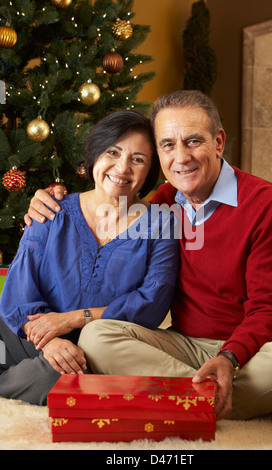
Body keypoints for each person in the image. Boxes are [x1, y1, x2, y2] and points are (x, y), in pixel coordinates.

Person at [24, 90, 272, 421]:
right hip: (182, 345)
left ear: (219, 142)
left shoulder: (266, 204)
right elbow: (108, 197)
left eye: (194, 141)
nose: (181, 157)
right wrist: (52, 199)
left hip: (256, 349)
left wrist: (229, 357)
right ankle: (218, 400)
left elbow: (271, 309)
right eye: (168, 144)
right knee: (97, 335)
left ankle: (181, 398)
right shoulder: (166, 201)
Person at [0, 110, 179, 405]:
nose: (122, 168)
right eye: (113, 152)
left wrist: (72, 320)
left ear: (150, 171)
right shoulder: (51, 208)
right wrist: (50, 339)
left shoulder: (160, 224)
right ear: (95, 154)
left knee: (65, 377)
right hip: (27, 332)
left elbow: (151, 304)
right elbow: (20, 291)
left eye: (138, 159)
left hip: (96, 347)